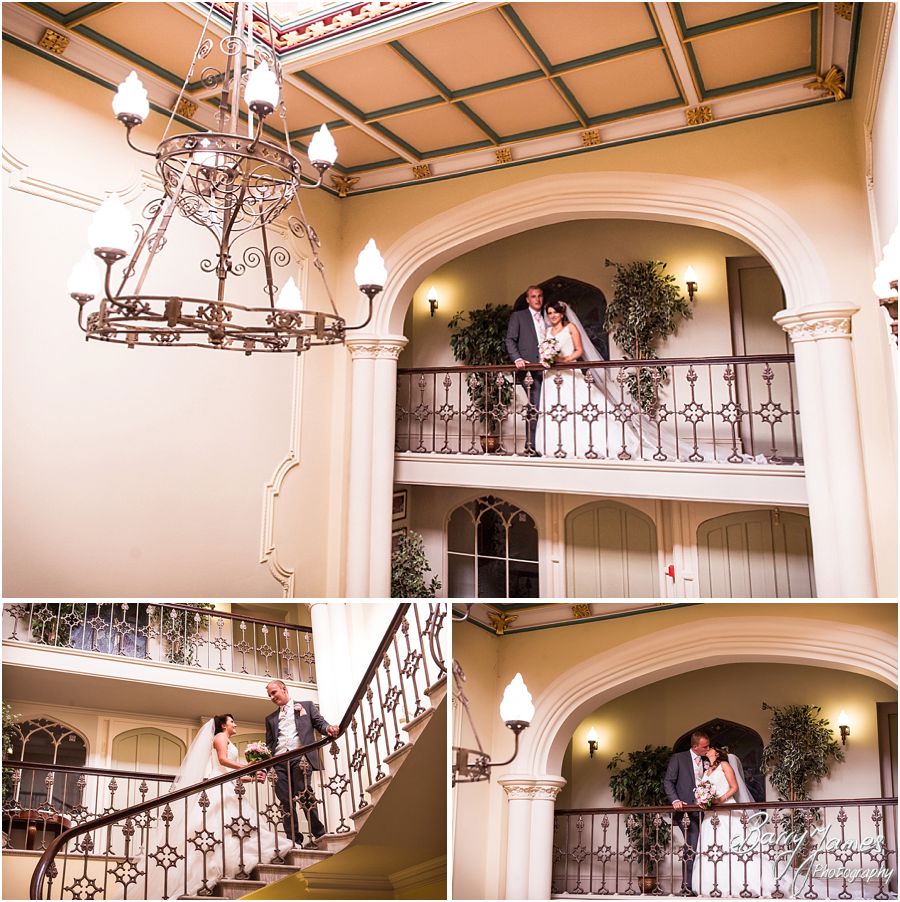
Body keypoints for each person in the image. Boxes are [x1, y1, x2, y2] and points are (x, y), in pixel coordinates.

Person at [111, 714, 278, 900]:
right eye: (232, 721)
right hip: (220, 787)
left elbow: (229, 773)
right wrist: (248, 767)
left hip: (226, 783)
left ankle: (230, 866)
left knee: (233, 828)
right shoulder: (221, 737)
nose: (235, 724)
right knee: (221, 826)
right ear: (223, 725)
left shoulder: (227, 740)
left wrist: (252, 776)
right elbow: (222, 760)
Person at [691, 744, 776, 897]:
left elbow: (734, 787)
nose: (707, 750)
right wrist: (702, 798)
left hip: (726, 810)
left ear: (716, 753)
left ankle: (740, 884)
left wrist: (720, 799)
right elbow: (703, 788)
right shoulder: (706, 770)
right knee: (711, 847)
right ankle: (712, 885)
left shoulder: (725, 765)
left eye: (710, 748)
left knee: (730, 846)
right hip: (710, 815)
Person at [265, 679, 339, 846]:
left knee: (304, 794)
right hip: (279, 762)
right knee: (285, 802)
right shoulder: (270, 718)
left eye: (274, 692)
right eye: (269, 695)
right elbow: (270, 744)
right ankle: (294, 840)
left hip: (301, 758)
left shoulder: (306, 705)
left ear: (284, 689)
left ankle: (319, 834)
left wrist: (329, 729)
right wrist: (265, 766)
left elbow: (320, 723)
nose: (271, 697)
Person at [664, 731, 711, 895]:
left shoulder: (708, 760)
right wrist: (675, 800)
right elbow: (668, 781)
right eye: (705, 746)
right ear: (695, 746)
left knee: (705, 847)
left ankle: (703, 884)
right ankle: (687, 887)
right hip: (686, 812)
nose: (708, 749)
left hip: (706, 811)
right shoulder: (678, 758)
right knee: (692, 846)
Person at [505, 285, 546, 455]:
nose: (537, 299)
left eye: (539, 296)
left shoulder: (549, 316)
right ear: (528, 299)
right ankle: (531, 446)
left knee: (550, 406)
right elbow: (510, 340)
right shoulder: (518, 316)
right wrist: (518, 358)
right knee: (535, 405)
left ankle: (548, 445)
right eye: (533, 296)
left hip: (550, 371)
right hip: (529, 371)